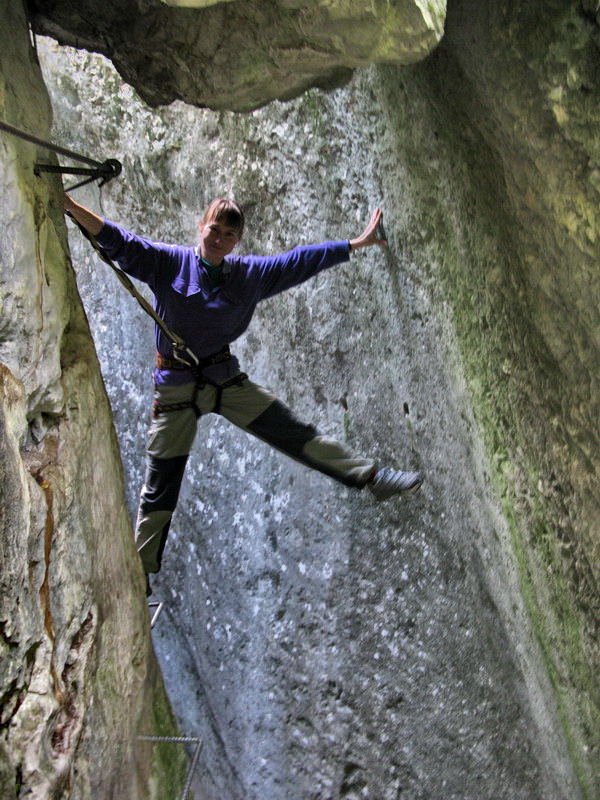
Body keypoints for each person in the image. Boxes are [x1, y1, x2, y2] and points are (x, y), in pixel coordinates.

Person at [64, 194, 423, 594]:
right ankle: (139, 578)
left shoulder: (249, 275)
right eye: (214, 229)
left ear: (237, 241)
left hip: (224, 381)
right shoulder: (168, 263)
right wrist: (69, 205)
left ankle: (373, 477)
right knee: (161, 479)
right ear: (202, 227)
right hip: (176, 387)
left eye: (229, 234)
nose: (219, 238)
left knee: (293, 432)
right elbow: (119, 241)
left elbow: (298, 261)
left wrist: (355, 244)